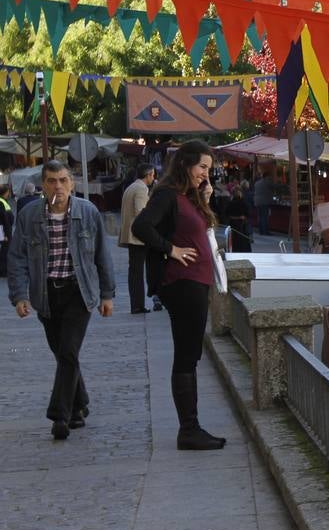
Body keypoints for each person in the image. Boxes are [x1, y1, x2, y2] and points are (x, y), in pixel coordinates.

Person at [8, 159, 116, 440]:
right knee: (63, 354)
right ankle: (80, 405)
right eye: (52, 181)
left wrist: (107, 295)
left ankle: (60, 415)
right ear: (43, 185)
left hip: (78, 291)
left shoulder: (88, 212)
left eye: (63, 180)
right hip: (45, 295)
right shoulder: (29, 215)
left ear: (73, 183)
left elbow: (103, 255)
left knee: (68, 351)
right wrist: (19, 295)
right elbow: (17, 256)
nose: (58, 186)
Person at [133, 140, 227, 451]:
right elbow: (141, 226)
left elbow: (202, 230)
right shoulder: (167, 194)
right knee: (186, 356)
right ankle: (188, 429)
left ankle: (191, 426)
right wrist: (170, 249)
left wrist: (204, 198)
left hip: (195, 282)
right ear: (185, 164)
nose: (205, 174)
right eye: (202, 167)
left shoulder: (188, 196)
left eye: (208, 169)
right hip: (182, 282)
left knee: (190, 356)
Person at [118, 163, 156, 314]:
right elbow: (141, 213)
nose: (153, 178)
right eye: (153, 175)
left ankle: (136, 304)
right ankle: (138, 305)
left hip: (131, 235)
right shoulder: (141, 189)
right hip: (138, 237)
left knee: (134, 271)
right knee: (138, 272)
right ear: (147, 175)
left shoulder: (131, 187)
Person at [224, 182, 252, 253]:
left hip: (233, 225)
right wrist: (242, 217)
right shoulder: (244, 203)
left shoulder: (230, 203)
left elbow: (225, 214)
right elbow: (248, 214)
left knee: (234, 243)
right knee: (243, 243)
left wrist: (232, 217)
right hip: (242, 226)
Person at [253, 171, 273, 236]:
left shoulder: (257, 183)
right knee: (265, 217)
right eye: (269, 176)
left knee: (260, 216)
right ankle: (265, 231)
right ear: (266, 176)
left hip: (257, 202)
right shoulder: (267, 182)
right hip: (264, 202)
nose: (270, 178)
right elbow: (275, 186)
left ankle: (261, 231)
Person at [0, 182, 13, 276]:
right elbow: (5, 220)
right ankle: (3, 271)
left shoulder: (3, 201)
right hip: (3, 231)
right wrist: (6, 235)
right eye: (8, 192)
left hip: (2, 231)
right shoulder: (2, 203)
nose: (9, 194)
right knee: (4, 251)